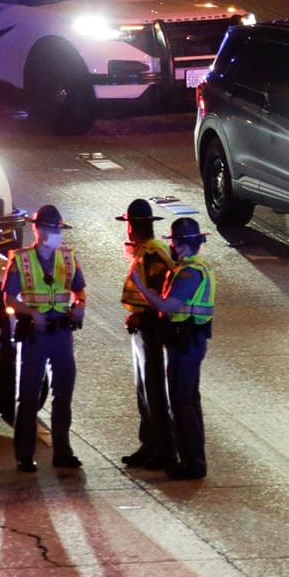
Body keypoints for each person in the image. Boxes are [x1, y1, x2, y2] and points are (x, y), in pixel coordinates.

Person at [129, 217, 214, 480]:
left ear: (182, 243)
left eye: (175, 241)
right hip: (186, 341)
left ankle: (192, 463)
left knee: (181, 402)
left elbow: (168, 306)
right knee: (188, 400)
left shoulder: (190, 273)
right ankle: (192, 459)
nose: (173, 246)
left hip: (186, 342)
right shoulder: (190, 268)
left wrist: (141, 287)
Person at [3, 204, 86, 473]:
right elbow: (9, 298)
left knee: (64, 393)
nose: (55, 234)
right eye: (50, 229)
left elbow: (80, 290)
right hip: (35, 336)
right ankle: (24, 456)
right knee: (28, 395)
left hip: (62, 333)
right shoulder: (21, 260)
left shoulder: (68, 257)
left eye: (57, 229)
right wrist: (31, 313)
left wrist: (79, 306)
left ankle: (63, 451)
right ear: (37, 230)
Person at [117, 198, 175, 470]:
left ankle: (162, 450)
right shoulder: (146, 251)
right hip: (142, 328)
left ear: (131, 226)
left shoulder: (152, 253)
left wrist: (143, 316)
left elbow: (157, 298)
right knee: (145, 391)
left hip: (151, 330)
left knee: (154, 391)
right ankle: (149, 444)